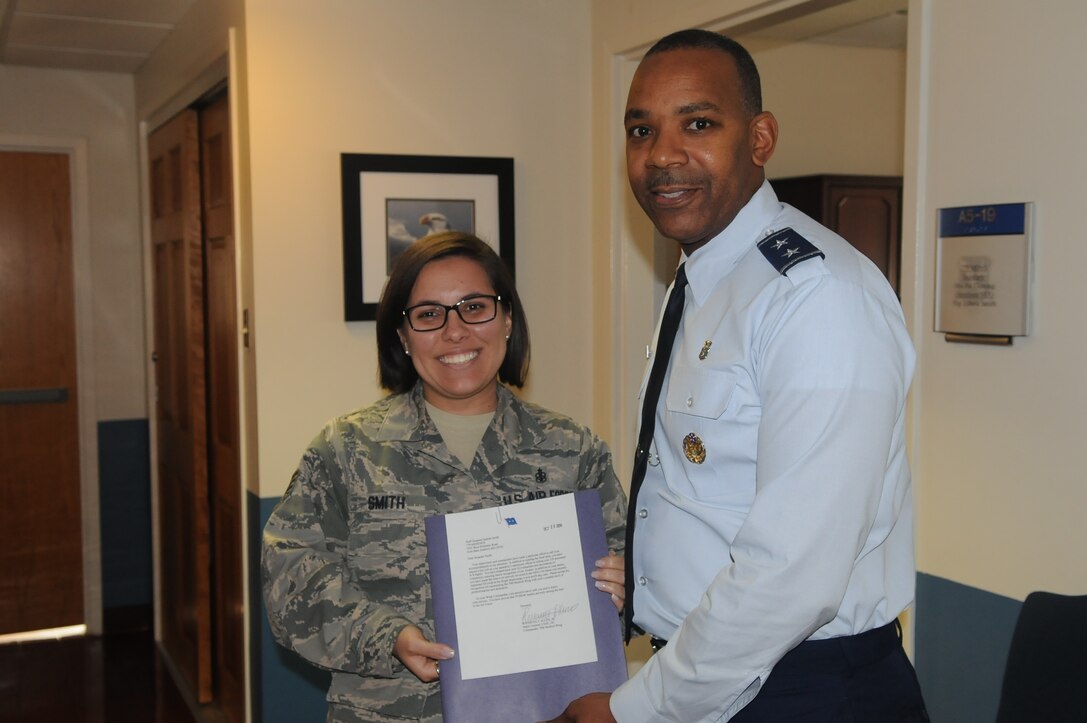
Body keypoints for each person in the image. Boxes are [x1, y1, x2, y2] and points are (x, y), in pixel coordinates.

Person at [547, 29, 928, 722]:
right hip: (715, 674)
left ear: (760, 138)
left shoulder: (815, 296)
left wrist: (633, 710)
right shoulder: (704, 280)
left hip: (805, 690)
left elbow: (791, 573)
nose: (662, 156)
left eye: (698, 123)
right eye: (641, 130)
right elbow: (712, 494)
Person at [263, 231, 628, 723]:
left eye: (474, 307)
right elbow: (289, 580)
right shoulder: (346, 449)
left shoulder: (573, 450)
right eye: (429, 314)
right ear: (402, 335)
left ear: (507, 319)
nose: (455, 332)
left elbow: (633, 576)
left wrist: (629, 589)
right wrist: (387, 636)